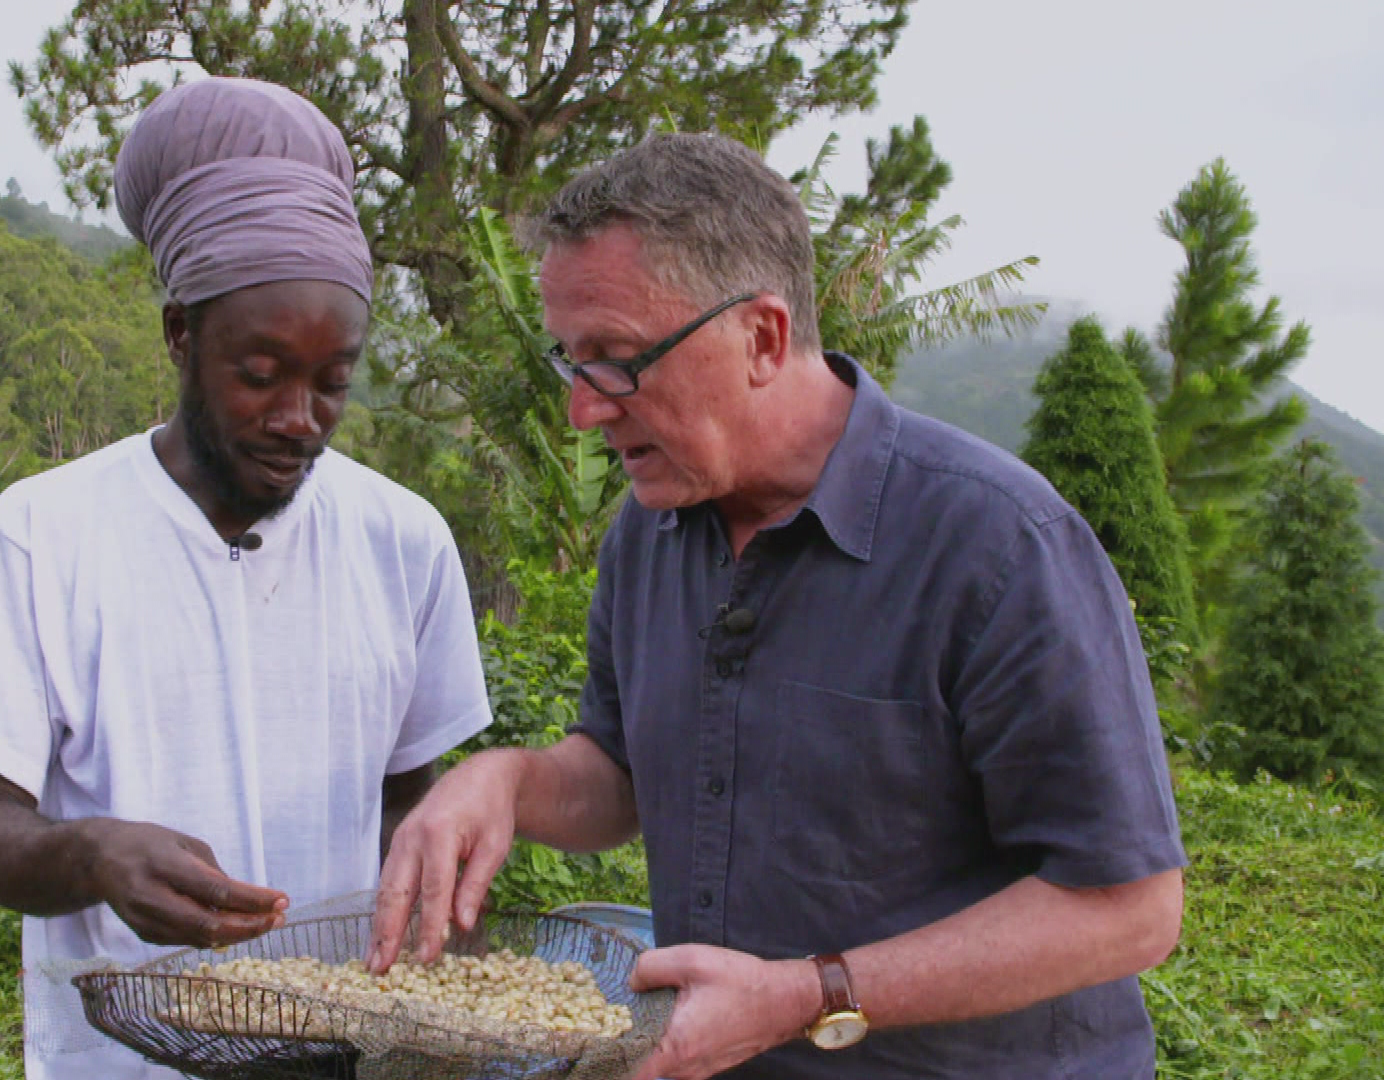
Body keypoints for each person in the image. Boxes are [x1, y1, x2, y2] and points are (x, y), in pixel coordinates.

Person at [369, 132, 1186, 1080]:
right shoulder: (651, 532)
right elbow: (622, 771)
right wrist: (506, 782)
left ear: (761, 336)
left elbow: (1129, 907)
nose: (584, 412)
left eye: (619, 361)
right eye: (572, 362)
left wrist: (811, 995)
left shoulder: (998, 549)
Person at [0, 78, 492, 1079]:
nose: (298, 417)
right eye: (261, 372)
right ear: (180, 333)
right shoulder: (44, 533)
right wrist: (91, 854)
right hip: (122, 1061)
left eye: (332, 382)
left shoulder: (403, 542)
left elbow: (413, 806)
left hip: (343, 1054)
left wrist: (443, 929)